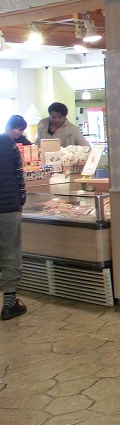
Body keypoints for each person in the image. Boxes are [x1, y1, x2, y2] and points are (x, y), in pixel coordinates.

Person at [1, 115, 28, 321]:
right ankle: (9, 305)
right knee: (10, 253)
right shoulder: (9, 145)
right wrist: (21, 203)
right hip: (8, 208)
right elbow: (19, 176)